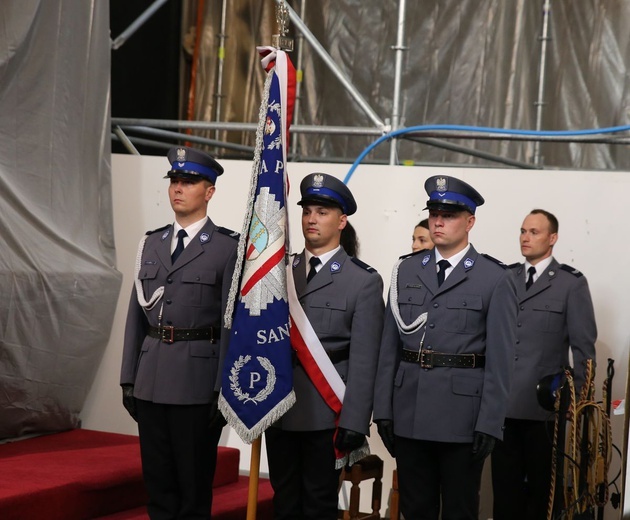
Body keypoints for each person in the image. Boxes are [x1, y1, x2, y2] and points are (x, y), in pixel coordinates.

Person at [373, 175, 517, 520]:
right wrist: (383, 411)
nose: (438, 220)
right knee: (414, 507)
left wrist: (490, 423)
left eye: (449, 214)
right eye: (434, 212)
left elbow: (501, 360)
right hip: (410, 411)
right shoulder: (405, 271)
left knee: (459, 509)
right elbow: (388, 348)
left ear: (470, 222)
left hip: (462, 419)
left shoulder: (494, 278)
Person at [119, 145, 238, 520]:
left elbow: (230, 324)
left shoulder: (225, 248)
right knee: (158, 485)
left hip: (196, 385)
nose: (178, 188)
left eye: (189, 181)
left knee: (192, 488)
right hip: (151, 379)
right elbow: (136, 315)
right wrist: (128, 378)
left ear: (210, 191)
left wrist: (223, 390)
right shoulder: (151, 243)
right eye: (174, 180)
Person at [265, 172, 385, 520]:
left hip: (325, 411)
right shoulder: (279, 271)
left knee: (318, 505)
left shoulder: (361, 280)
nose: (311, 219)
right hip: (280, 407)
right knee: (283, 501)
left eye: (322, 212)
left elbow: (365, 359)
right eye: (307, 211)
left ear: (342, 220)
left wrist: (356, 420)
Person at [491, 209, 597, 520]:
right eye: (523, 231)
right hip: (501, 407)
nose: (525, 237)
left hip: (543, 409)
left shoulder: (570, 284)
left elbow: (583, 349)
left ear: (552, 238)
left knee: (542, 495)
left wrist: (574, 400)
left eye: (534, 232)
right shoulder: (505, 278)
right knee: (504, 493)